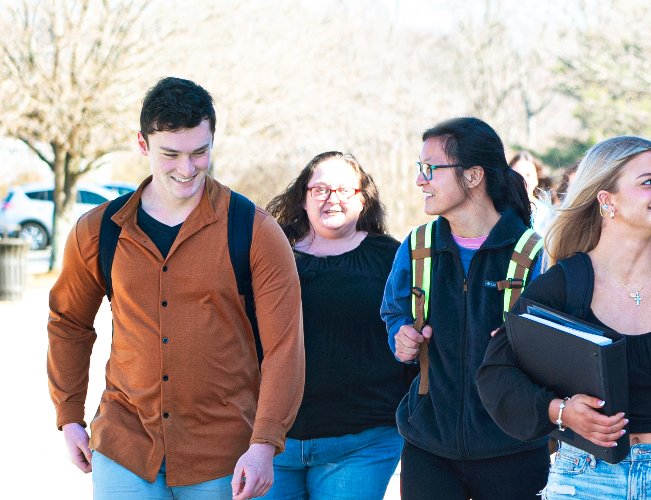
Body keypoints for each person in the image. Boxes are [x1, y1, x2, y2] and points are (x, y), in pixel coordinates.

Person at [48, 77, 304, 500]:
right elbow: (68, 323)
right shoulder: (98, 232)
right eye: (171, 154)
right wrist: (70, 414)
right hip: (125, 444)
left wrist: (263, 444)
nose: (187, 169)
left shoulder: (255, 230)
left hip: (224, 454)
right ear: (143, 144)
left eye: (199, 152)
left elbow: (284, 347)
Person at [476, 135, 651, 499]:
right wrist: (560, 412)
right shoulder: (563, 284)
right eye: (648, 182)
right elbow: (495, 374)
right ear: (607, 200)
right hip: (584, 478)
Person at [380, 117, 548, 499]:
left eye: (430, 169)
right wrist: (401, 335)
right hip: (428, 447)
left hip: (515, 449)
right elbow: (393, 313)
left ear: (473, 176)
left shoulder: (535, 253)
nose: (420, 180)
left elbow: (557, 347)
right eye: (419, 169)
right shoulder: (417, 244)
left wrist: (520, 343)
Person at [264, 152, 412, 499]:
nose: (333, 199)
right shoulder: (270, 253)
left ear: (364, 199)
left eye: (346, 190)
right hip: (272, 442)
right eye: (321, 190)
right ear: (303, 197)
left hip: (362, 442)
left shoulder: (392, 257)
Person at [510, 151, 557, 235]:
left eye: (528, 175)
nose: (523, 180)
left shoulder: (548, 213)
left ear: (536, 179)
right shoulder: (498, 210)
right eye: (517, 175)